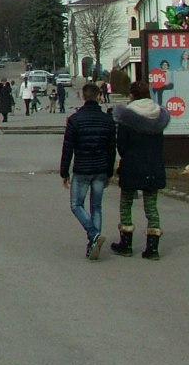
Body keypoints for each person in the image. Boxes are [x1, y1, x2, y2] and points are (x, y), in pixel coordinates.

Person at [111, 79, 170, 260]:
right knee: (151, 206)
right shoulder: (158, 115)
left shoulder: (127, 116)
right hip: (154, 165)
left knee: (126, 203)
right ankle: (152, 248)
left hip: (132, 165)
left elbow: (121, 145)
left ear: (133, 95)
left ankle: (126, 244)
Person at [60, 82, 117, 260]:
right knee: (96, 206)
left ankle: (93, 234)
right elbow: (111, 148)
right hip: (100, 168)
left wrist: (64, 172)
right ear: (99, 96)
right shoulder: (107, 120)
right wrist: (109, 171)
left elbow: (68, 147)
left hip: (82, 168)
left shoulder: (75, 120)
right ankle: (94, 241)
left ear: (83, 96)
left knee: (76, 205)